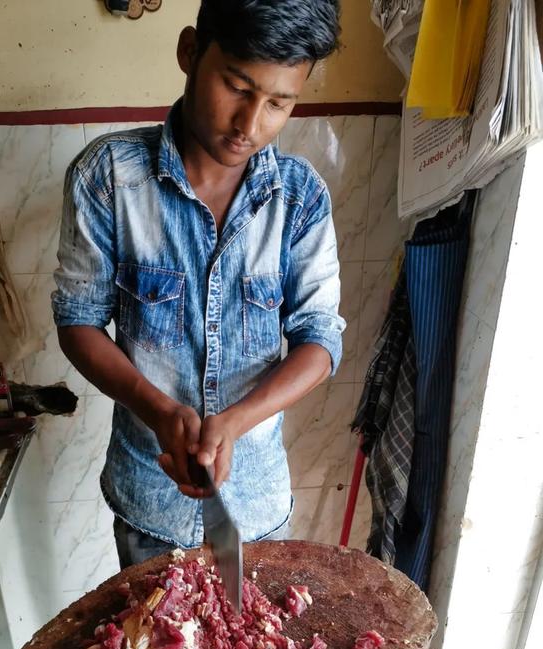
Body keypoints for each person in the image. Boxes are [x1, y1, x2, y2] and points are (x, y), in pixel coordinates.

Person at [52, 0, 345, 569]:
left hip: (256, 505)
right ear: (190, 52)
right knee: (154, 630)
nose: (249, 125)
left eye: (278, 103)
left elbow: (320, 340)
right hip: (149, 500)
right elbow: (77, 322)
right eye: (237, 87)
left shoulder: (300, 197)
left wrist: (235, 423)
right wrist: (160, 412)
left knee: (252, 628)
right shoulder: (108, 177)